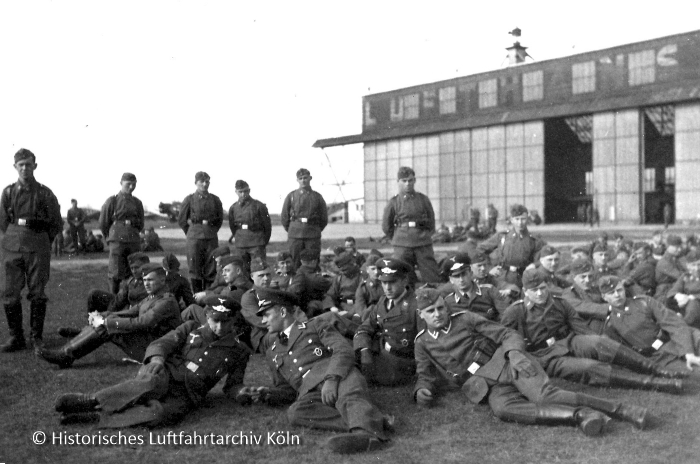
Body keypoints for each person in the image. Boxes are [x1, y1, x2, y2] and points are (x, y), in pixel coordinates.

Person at [412, 288, 649, 435]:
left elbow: (508, 334)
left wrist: (514, 354)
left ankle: (624, 410)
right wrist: (422, 388)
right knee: (503, 410)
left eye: (440, 308)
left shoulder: (465, 319)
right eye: (430, 311)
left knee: (545, 395)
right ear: (421, 315)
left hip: (508, 364)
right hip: (482, 386)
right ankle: (580, 415)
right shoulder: (422, 342)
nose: (437, 314)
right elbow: (424, 373)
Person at [53, 296, 251, 427]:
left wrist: (241, 392)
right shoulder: (191, 327)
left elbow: (233, 385)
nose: (219, 326)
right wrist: (157, 359)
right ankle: (91, 400)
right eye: (214, 320)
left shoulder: (239, 351)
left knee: (161, 413)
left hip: (188, 392)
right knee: (149, 384)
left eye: (225, 322)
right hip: (165, 371)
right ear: (207, 316)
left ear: (233, 321)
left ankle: (96, 417)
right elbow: (162, 343)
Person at [235, 288, 392, 454]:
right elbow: (288, 390)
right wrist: (268, 393)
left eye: (266, 315)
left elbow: (343, 350)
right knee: (296, 413)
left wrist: (332, 379)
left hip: (337, 375)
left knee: (349, 396)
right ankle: (373, 421)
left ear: (282, 312)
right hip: (310, 392)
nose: (263, 321)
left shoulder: (315, 325)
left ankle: (366, 435)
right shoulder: (272, 351)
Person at [501, 270, 682, 393]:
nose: (540, 294)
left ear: (546, 286)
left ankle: (658, 370)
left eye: (542, 288)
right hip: (546, 356)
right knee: (590, 368)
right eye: (534, 291)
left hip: (570, 341)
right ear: (525, 291)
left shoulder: (560, 303)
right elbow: (507, 338)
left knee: (600, 342)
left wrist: (602, 345)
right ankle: (657, 384)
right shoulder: (515, 311)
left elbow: (581, 328)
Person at [39, 263, 181, 368]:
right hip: (148, 341)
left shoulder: (166, 301)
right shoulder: (152, 297)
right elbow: (131, 312)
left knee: (107, 327)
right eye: (145, 280)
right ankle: (66, 353)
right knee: (107, 322)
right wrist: (108, 314)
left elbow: (143, 322)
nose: (146, 284)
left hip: (156, 349)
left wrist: (108, 322)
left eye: (150, 280)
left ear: (162, 281)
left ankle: (65, 355)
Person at [0, 148, 63, 352]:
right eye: (21, 165)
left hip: (38, 242)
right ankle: (15, 337)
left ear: (35, 166)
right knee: (10, 291)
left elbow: (56, 223)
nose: (25, 168)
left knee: (37, 291)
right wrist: (13, 236)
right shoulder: (8, 192)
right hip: (13, 244)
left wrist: (43, 240)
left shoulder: (45, 193)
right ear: (15, 167)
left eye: (28, 164)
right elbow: (2, 221)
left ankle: (36, 337)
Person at [599, 275, 700, 377]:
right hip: (660, 358)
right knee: (695, 373)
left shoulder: (644, 302)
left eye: (619, 290)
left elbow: (674, 323)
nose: (617, 295)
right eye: (611, 293)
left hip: (676, 339)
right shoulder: (611, 324)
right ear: (604, 297)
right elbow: (624, 354)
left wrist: (688, 352)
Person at [354, 258, 420, 386]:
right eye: (383, 282)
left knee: (350, 372)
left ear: (405, 281)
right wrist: (364, 350)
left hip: (400, 364)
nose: (387, 288)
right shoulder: (383, 301)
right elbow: (365, 327)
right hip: (381, 350)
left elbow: (426, 344)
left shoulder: (415, 305)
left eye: (392, 282)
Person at [382, 166, 442, 283]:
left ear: (414, 180)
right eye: (404, 181)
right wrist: (397, 238)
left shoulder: (423, 199)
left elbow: (431, 221)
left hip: (422, 242)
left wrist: (426, 235)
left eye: (410, 180)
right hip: (402, 243)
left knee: (432, 275)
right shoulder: (394, 202)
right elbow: (386, 226)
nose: (407, 184)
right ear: (398, 182)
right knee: (403, 277)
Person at [477, 204, 545, 288]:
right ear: (512, 220)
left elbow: (546, 255)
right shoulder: (502, 236)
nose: (520, 223)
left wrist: (535, 265)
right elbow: (480, 249)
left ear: (527, 219)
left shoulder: (534, 239)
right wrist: (489, 268)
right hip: (503, 277)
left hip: (526, 277)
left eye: (523, 219)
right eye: (517, 219)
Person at [99, 172, 145, 294]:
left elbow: (141, 223)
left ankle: (133, 300)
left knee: (135, 271)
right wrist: (111, 237)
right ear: (121, 183)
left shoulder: (137, 202)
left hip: (133, 240)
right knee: (115, 272)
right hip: (117, 241)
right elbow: (103, 222)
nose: (131, 187)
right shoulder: (112, 201)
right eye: (128, 184)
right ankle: (113, 301)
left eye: (134, 184)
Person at [178, 171, 224, 293]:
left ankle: (208, 297)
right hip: (194, 238)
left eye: (207, 182)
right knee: (195, 269)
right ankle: (196, 297)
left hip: (210, 237)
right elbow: (182, 220)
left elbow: (219, 220)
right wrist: (192, 232)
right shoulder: (189, 199)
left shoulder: (215, 200)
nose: (204, 184)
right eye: (201, 182)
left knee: (211, 268)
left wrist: (211, 231)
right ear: (196, 183)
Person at [280, 168, 328, 269]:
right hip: (295, 234)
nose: (303, 180)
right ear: (297, 180)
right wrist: (292, 229)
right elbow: (284, 217)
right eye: (300, 178)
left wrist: (315, 229)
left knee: (313, 261)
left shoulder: (317, 197)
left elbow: (324, 218)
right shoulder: (291, 196)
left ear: (310, 178)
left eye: (305, 178)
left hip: (312, 234)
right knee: (295, 262)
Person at [441, 253, 509, 321]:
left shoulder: (489, 291)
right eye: (456, 276)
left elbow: (506, 317)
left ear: (471, 273)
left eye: (464, 274)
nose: (461, 280)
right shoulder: (449, 302)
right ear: (451, 280)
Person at [561, 259, 609, 334]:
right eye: (583, 277)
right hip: (584, 332)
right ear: (574, 277)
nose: (587, 280)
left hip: (601, 327)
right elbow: (585, 307)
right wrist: (610, 308)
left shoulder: (595, 290)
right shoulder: (569, 293)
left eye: (590, 276)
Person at [228, 179, 272, 261]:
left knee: (258, 269)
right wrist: (238, 238)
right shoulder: (233, 208)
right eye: (240, 192)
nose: (243, 194)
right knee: (242, 270)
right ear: (236, 192)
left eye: (245, 191)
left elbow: (267, 226)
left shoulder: (259, 206)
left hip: (256, 243)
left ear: (249, 190)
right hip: (241, 244)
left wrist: (263, 242)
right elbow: (232, 226)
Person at [666, 256, 700, 329]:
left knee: (693, 304)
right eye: (693, 265)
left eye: (699, 264)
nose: (697, 268)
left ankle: (684, 326)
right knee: (669, 301)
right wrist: (677, 295)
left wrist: (693, 297)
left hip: (695, 305)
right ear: (688, 265)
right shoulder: (685, 276)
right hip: (687, 306)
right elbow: (672, 291)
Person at [654, 234, 686, 301]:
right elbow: (680, 276)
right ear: (668, 246)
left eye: (680, 247)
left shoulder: (676, 259)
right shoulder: (664, 262)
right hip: (665, 294)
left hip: (674, 290)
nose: (679, 249)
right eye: (676, 247)